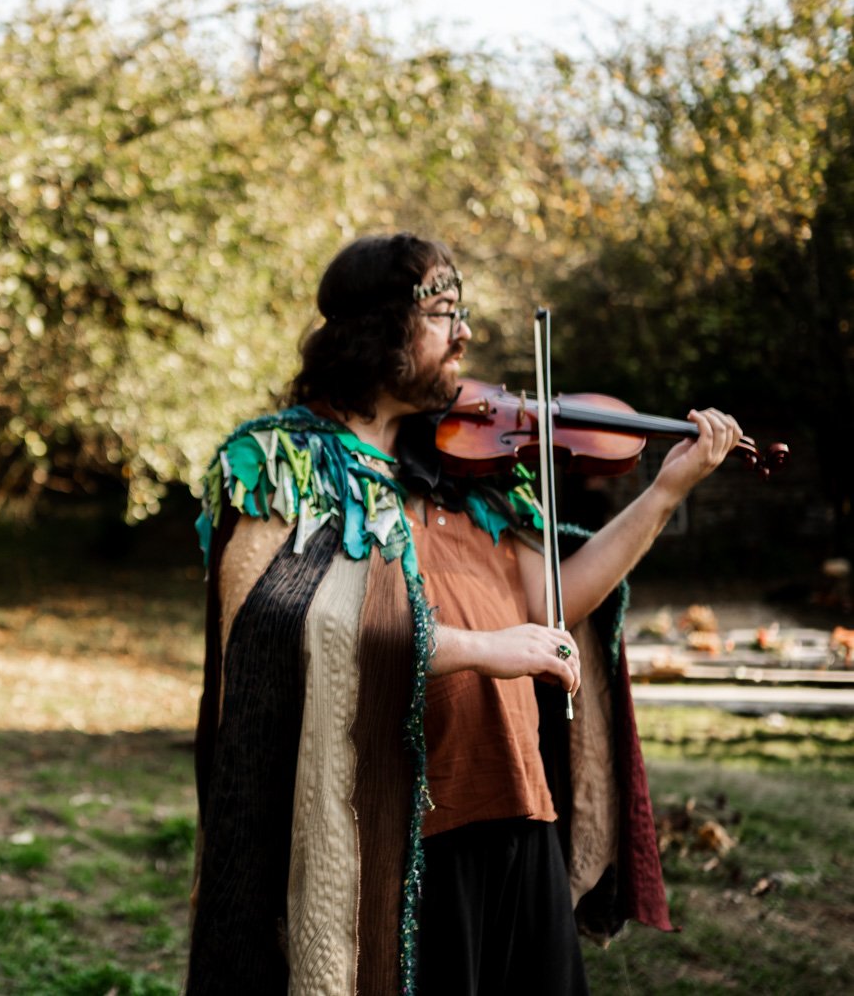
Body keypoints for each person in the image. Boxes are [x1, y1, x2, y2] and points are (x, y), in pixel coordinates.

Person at [187, 232, 743, 994]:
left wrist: (665, 492)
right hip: (388, 828)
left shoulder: (470, 464)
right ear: (379, 327)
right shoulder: (279, 462)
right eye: (443, 313)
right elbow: (268, 632)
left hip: (517, 804)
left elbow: (553, 602)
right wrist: (485, 650)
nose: (466, 335)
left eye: (462, 312)